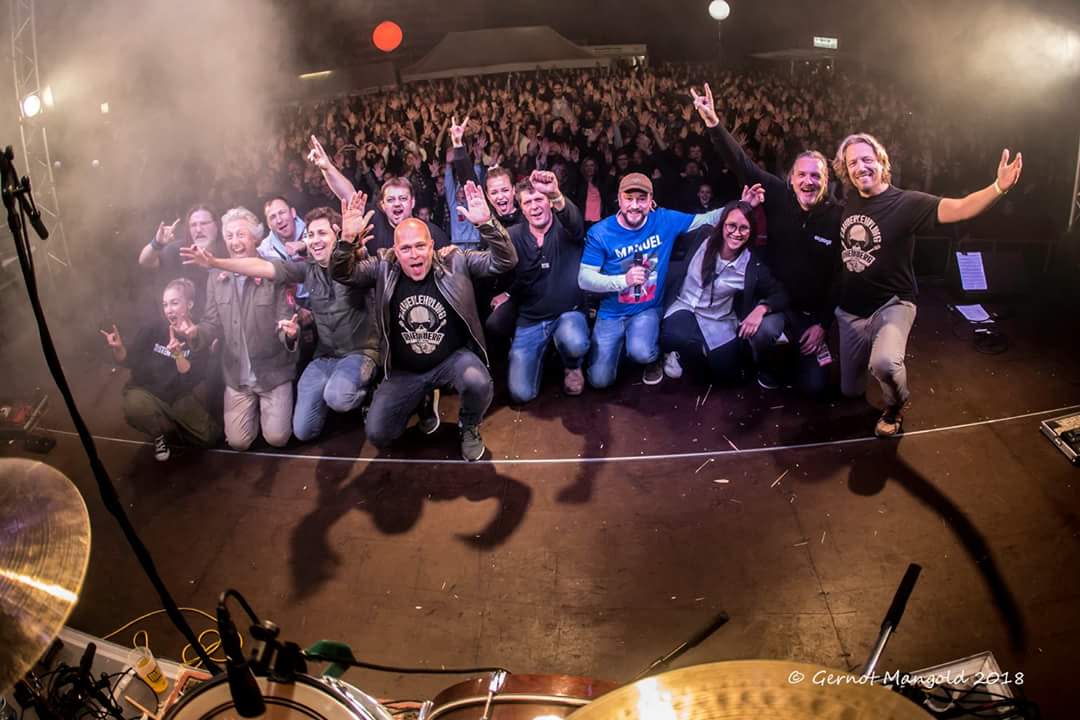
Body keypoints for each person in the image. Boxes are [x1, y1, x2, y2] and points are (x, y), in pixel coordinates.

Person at [832, 132, 1022, 436]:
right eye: (852, 162)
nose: (860, 167)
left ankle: (895, 406)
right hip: (851, 312)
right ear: (846, 170)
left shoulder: (907, 203)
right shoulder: (850, 201)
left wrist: (998, 187)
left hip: (892, 304)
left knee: (884, 364)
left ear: (881, 161)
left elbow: (961, 208)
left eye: (867, 159)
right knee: (849, 391)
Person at [330, 183, 517, 461]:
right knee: (379, 434)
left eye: (420, 246)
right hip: (406, 370)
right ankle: (423, 399)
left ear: (432, 246)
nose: (414, 254)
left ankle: (469, 424)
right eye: (406, 249)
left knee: (477, 380)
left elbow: (506, 261)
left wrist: (487, 224)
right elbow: (342, 274)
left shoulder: (455, 261)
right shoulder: (383, 265)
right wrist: (346, 240)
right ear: (395, 251)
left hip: (450, 360)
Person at [182, 205, 378, 442]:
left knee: (335, 398)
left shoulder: (357, 262)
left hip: (357, 353)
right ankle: (332, 393)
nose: (315, 240)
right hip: (325, 357)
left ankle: (368, 395)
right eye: (310, 234)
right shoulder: (306, 269)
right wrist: (215, 263)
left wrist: (349, 242)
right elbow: (261, 267)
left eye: (322, 233)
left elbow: (351, 265)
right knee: (302, 432)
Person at [693, 82, 841, 393]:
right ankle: (770, 364)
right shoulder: (778, 195)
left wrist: (822, 324)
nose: (809, 181)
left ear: (826, 181)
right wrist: (714, 123)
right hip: (776, 304)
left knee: (815, 389)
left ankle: (802, 351)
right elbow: (741, 163)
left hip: (811, 313)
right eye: (802, 175)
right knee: (761, 334)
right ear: (791, 179)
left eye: (816, 175)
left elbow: (839, 277)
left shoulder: (837, 216)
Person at [577, 171, 727, 388]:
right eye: (629, 198)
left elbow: (707, 219)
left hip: (646, 309)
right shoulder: (600, 232)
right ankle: (620, 348)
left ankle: (653, 355)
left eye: (641, 199)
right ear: (619, 199)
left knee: (641, 351)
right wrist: (623, 280)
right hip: (611, 313)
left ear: (651, 201)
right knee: (599, 380)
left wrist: (742, 205)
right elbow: (584, 279)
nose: (635, 205)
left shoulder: (664, 220)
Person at [181, 207, 298, 450]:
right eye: (230, 236)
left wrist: (289, 334)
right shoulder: (216, 276)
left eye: (241, 235)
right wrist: (196, 333)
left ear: (255, 238)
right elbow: (211, 322)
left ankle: (275, 408)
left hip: (272, 373)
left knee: (277, 438)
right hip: (237, 377)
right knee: (238, 442)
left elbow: (285, 318)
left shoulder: (273, 270)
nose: (235, 242)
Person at [660, 199, 788, 384]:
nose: (736, 233)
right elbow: (673, 230)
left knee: (727, 376)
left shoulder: (752, 266)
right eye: (731, 226)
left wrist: (762, 309)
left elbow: (780, 293)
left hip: (717, 319)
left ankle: (700, 351)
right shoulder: (702, 236)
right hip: (684, 305)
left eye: (744, 228)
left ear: (751, 231)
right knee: (676, 336)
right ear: (722, 225)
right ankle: (682, 352)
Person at [100, 279, 222, 461]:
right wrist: (118, 348)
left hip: (178, 395)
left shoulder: (199, 333)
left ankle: (170, 424)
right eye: (165, 304)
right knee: (135, 407)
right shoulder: (153, 327)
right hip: (146, 391)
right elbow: (129, 360)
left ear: (189, 304)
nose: (169, 310)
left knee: (209, 438)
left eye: (175, 303)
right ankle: (158, 433)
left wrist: (178, 355)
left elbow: (192, 377)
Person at [501, 170, 589, 403]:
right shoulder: (513, 236)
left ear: (548, 202)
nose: (534, 207)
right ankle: (546, 353)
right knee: (521, 393)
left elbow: (576, 222)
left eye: (539, 199)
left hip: (568, 314)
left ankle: (572, 365)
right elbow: (499, 264)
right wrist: (507, 293)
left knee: (574, 341)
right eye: (527, 202)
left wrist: (556, 194)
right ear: (521, 208)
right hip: (531, 320)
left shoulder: (565, 228)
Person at [307, 135, 449, 252]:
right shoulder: (374, 222)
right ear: (383, 205)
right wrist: (327, 168)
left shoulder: (430, 233)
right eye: (391, 200)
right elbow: (349, 194)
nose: (397, 203)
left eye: (403, 198)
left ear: (412, 202)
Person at [137, 204, 222, 318]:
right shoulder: (178, 250)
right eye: (193, 225)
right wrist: (157, 243)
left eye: (204, 223)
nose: (198, 230)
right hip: (184, 324)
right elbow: (145, 261)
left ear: (216, 226)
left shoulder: (229, 248)